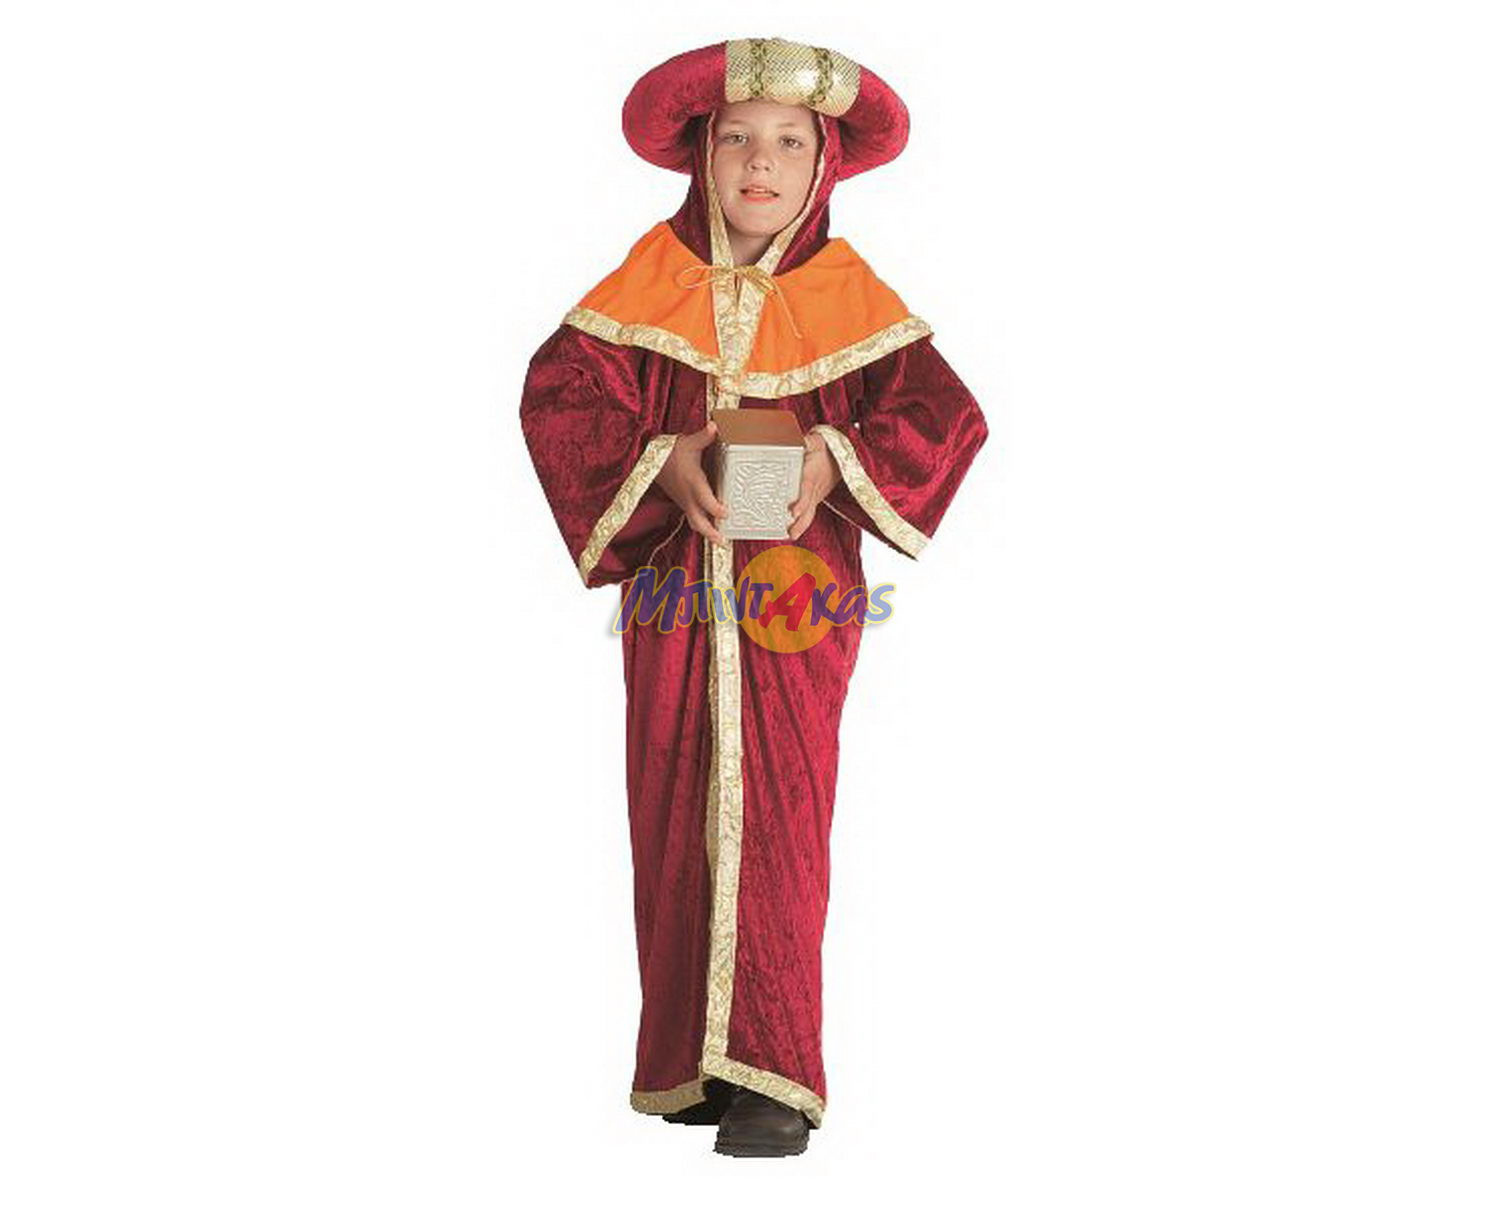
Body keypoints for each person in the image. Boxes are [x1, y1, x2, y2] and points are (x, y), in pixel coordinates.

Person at [519, 36, 989, 1158]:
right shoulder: (647, 283)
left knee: (781, 810)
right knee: (672, 806)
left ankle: (777, 1075)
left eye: (788, 142)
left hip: (797, 602)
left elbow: (947, 418)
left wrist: (833, 450)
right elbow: (559, 397)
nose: (761, 163)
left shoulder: (847, 295)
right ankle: (692, 1063)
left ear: (824, 162)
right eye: (738, 139)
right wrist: (664, 459)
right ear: (703, 155)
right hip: (674, 593)